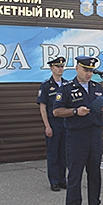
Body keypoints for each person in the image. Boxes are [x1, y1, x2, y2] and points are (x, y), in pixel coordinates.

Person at [53, 56, 103, 205]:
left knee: (95, 174)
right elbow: (57, 111)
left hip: (94, 134)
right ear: (77, 68)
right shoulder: (66, 88)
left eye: (91, 71)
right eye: (86, 70)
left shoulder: (97, 87)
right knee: (74, 175)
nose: (89, 74)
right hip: (76, 136)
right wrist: (74, 112)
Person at [36, 56, 68, 192]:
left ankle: (62, 180)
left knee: (64, 153)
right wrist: (47, 126)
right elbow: (42, 107)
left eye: (62, 66)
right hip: (53, 123)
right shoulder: (46, 86)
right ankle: (54, 181)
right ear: (51, 69)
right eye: (57, 67)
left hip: (66, 123)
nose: (60, 69)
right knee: (53, 153)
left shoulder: (68, 84)